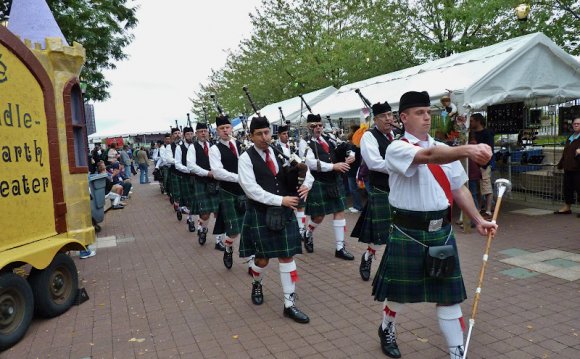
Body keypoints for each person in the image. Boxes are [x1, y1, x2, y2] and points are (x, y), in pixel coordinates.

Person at [372, 91, 498, 359]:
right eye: (419, 112)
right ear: (403, 118)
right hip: (409, 232)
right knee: (400, 295)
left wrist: (479, 220)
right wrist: (466, 149)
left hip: (441, 232)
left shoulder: (444, 150)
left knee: (449, 296)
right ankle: (387, 327)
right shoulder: (397, 148)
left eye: (428, 112)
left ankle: (456, 352)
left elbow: (459, 189)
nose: (427, 117)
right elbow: (428, 156)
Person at [238, 116, 314, 323]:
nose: (264, 137)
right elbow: (251, 190)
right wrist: (280, 200)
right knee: (262, 259)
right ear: (251, 136)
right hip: (261, 213)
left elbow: (305, 170)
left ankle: (290, 304)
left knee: (287, 257)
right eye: (259, 134)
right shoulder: (245, 159)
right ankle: (257, 282)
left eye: (267, 133)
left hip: (284, 213)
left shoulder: (282, 152)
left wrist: (307, 184)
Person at [300, 113, 355, 260]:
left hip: (334, 181)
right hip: (319, 182)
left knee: (339, 211)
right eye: (314, 126)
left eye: (320, 125)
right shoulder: (304, 142)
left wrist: (351, 154)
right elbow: (310, 163)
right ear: (308, 127)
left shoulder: (329, 138)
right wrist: (333, 166)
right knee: (318, 217)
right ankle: (308, 232)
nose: (318, 128)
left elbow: (347, 146)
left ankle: (340, 247)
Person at [353, 101, 396, 281]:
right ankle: (368, 256)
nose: (388, 119)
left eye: (390, 115)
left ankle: (392, 267)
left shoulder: (396, 135)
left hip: (400, 189)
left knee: (400, 231)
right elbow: (374, 163)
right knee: (381, 234)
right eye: (383, 116)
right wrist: (402, 167)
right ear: (375, 120)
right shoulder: (369, 137)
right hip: (381, 189)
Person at [209, 115, 252, 270]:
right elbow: (217, 172)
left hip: (247, 191)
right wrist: (240, 178)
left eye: (227, 127)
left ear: (232, 128)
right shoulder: (214, 149)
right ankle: (228, 247)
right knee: (233, 231)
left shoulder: (242, 145)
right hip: (228, 192)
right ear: (217, 131)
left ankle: (251, 262)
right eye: (222, 128)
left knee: (249, 228)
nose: (225, 130)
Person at [187, 122, 224, 250]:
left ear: (208, 132)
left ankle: (219, 241)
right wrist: (207, 173)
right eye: (201, 131)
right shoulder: (193, 147)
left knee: (219, 213)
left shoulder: (213, 146)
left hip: (215, 183)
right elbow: (191, 166)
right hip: (201, 183)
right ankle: (203, 230)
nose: (203, 133)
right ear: (196, 134)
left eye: (205, 131)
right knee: (205, 214)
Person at [470, 113, 494, 219]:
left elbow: (490, 148)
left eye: (472, 121)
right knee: (478, 187)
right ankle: (479, 208)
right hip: (475, 164)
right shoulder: (472, 133)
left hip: (483, 164)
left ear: (478, 121)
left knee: (486, 186)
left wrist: (485, 162)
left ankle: (488, 210)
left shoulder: (487, 133)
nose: (470, 123)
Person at [554, 117, 580, 216]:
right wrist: (561, 164)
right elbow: (566, 153)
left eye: (578, 124)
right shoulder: (570, 137)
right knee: (567, 188)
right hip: (568, 167)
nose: (576, 125)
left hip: (578, 168)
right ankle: (567, 207)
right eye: (575, 124)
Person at [346, 124, 363, 213]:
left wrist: (347, 160)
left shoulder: (354, 146)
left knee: (353, 189)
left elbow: (351, 159)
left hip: (353, 171)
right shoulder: (361, 145)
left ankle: (357, 206)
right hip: (358, 170)